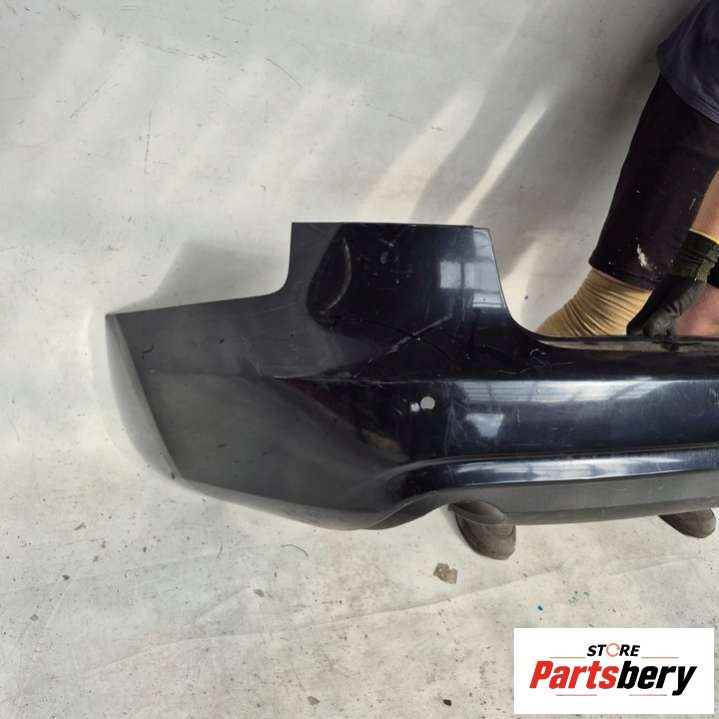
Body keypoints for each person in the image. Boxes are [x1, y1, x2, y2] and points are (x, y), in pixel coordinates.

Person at [457, 0, 719, 559]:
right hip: (711, 101)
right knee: (608, 308)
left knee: (700, 325)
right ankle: (485, 464)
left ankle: (654, 462)